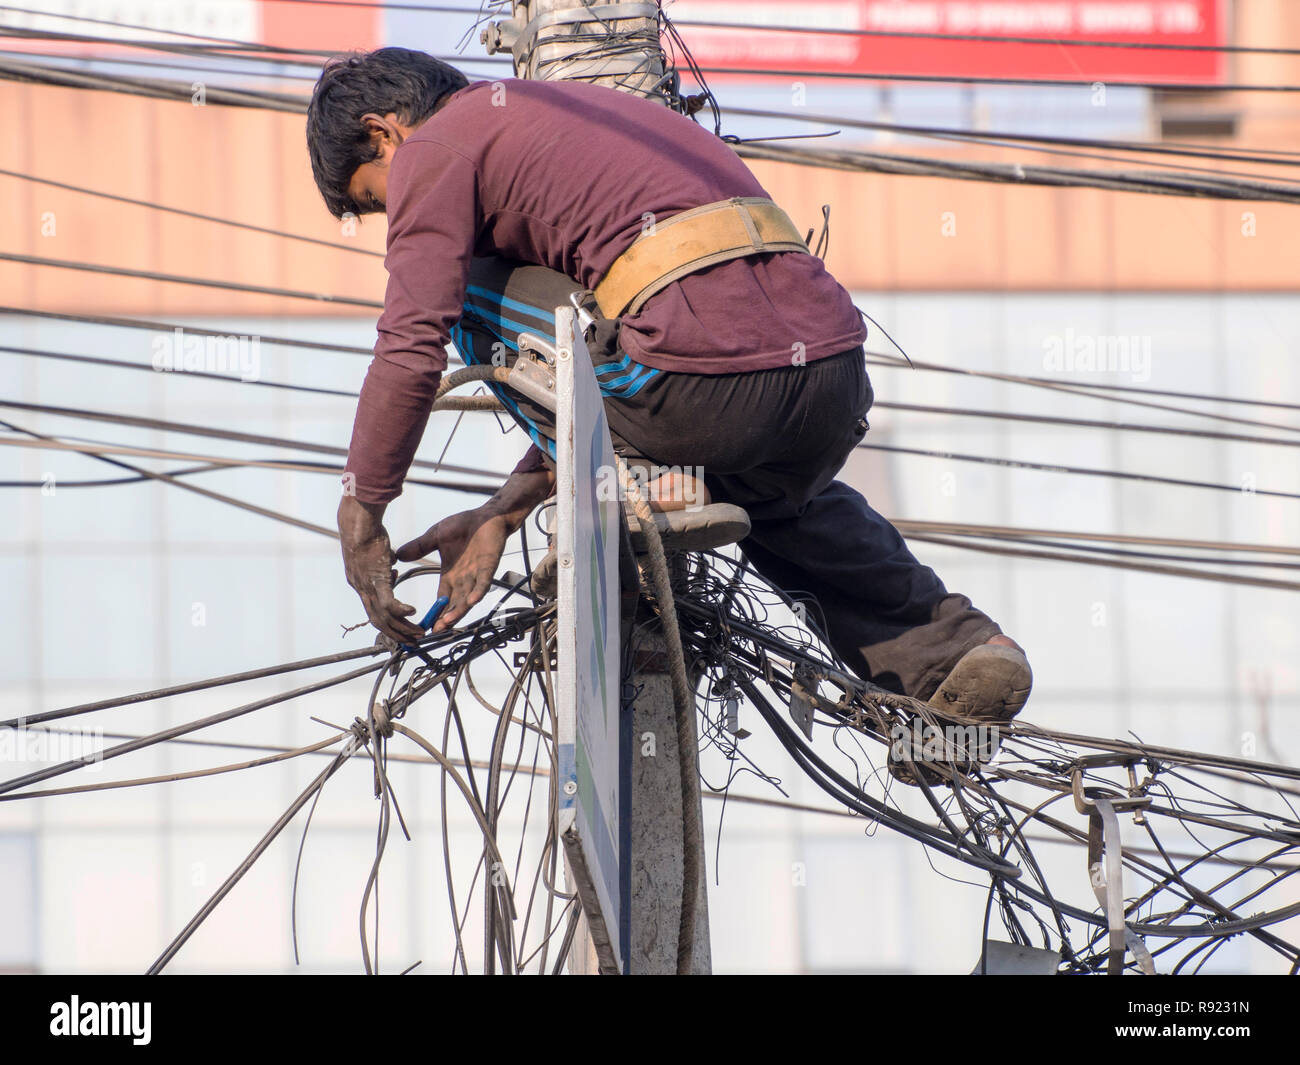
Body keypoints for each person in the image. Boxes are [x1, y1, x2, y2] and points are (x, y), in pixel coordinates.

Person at [306, 48, 1032, 725]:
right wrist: (502, 511)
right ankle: (952, 654)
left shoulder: (437, 145)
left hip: (693, 380)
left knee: (454, 289)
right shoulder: (570, 113)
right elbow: (586, 367)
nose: (392, 215)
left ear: (384, 132)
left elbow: (411, 341)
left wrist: (361, 509)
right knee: (763, 498)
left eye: (373, 199)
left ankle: (631, 483)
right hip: (828, 377)